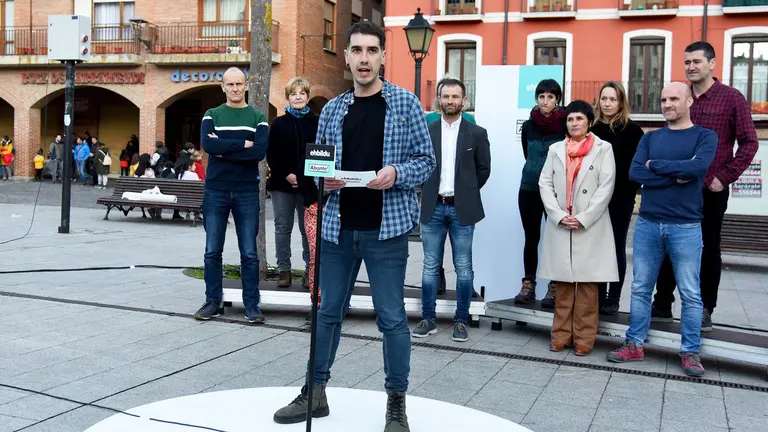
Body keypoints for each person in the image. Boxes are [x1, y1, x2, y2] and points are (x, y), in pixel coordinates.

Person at [273, 21, 435, 432]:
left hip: (387, 231)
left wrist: (395, 172)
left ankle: (396, 403)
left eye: (371, 51)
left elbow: (425, 161)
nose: (364, 59)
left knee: (392, 318)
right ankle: (316, 391)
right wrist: (321, 180)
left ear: (382, 56)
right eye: (357, 51)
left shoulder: (406, 104)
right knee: (327, 312)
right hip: (338, 230)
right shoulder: (332, 109)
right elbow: (317, 168)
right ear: (346, 57)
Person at [607, 82, 717, 377]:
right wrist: (674, 171)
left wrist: (658, 167)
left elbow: (697, 169)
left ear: (689, 101)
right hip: (647, 223)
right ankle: (634, 344)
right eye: (663, 99)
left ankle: (691, 352)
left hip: (686, 226)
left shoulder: (705, 137)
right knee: (641, 288)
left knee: (691, 293)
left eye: (674, 99)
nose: (667, 104)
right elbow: (635, 173)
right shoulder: (650, 138)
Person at [651, 41, 759, 331]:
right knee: (668, 245)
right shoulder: (680, 96)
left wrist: (724, 177)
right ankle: (662, 305)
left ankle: (704, 309)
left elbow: (750, 143)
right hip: (675, 188)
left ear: (712, 64)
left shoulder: (731, 98)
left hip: (710, 191)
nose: (691, 67)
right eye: (687, 62)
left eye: (697, 61)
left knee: (708, 249)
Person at [412, 77, 491, 343]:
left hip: (462, 209)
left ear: (464, 101)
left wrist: (467, 192)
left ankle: (460, 320)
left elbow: (484, 169)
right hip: (433, 208)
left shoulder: (477, 133)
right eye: (446, 96)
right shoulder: (428, 129)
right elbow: (418, 163)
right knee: (430, 267)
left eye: (455, 97)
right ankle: (428, 319)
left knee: (464, 268)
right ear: (439, 99)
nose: (450, 101)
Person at [539, 100, 618, 356]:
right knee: (562, 285)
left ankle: (584, 338)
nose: (574, 123)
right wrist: (558, 214)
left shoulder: (603, 149)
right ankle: (560, 335)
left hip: (589, 225)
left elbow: (607, 186)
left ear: (589, 122)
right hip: (561, 222)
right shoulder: (555, 149)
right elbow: (545, 184)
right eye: (571, 119)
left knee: (587, 286)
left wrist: (584, 217)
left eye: (579, 119)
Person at [194, 67, 269, 324]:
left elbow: (258, 153)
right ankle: (212, 302)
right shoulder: (211, 115)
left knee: (249, 252)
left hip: (247, 191)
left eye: (239, 84)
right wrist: (241, 145)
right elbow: (209, 145)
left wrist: (224, 149)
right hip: (216, 190)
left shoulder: (258, 117)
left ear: (246, 85)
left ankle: (252, 306)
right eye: (230, 84)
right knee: (212, 250)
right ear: (223, 87)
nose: (235, 88)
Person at [591, 81, 645, 316]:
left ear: (621, 102)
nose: (608, 103)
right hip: (593, 200)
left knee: (615, 247)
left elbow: (638, 168)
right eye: (604, 99)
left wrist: (628, 192)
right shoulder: (591, 130)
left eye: (613, 99)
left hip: (621, 199)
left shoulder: (633, 131)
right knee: (597, 247)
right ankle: (598, 294)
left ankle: (613, 297)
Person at [514, 79, 566, 309]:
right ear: (536, 99)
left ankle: (554, 286)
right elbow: (528, 154)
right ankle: (529, 283)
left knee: (555, 239)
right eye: (541, 97)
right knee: (531, 237)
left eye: (550, 97)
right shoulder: (527, 126)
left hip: (556, 190)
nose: (545, 101)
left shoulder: (565, 123)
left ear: (557, 100)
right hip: (529, 188)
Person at [266, 77, 317, 288]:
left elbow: (319, 153)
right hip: (282, 183)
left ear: (307, 96)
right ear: (288, 97)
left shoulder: (317, 122)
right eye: (294, 94)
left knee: (308, 228)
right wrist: (287, 173)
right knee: (282, 227)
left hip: (308, 185)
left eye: (302, 93)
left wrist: (304, 176)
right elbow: (272, 153)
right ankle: (284, 270)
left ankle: (309, 271)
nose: (298, 97)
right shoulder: (278, 123)